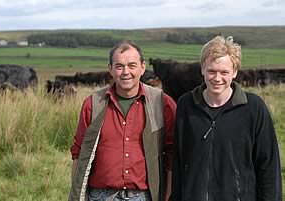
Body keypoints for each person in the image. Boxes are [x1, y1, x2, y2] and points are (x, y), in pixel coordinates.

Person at [171, 36, 282, 201]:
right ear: (202, 69)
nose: (217, 78)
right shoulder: (186, 104)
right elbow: (179, 162)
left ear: (235, 72)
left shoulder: (253, 108)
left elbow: (268, 167)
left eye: (224, 72)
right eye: (211, 71)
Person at [69, 41, 176, 201]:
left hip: (144, 196)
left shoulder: (162, 103)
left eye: (132, 65)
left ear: (142, 67)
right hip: (100, 196)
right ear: (110, 69)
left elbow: (172, 156)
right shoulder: (93, 104)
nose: (126, 72)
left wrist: (168, 197)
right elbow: (78, 154)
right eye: (119, 66)